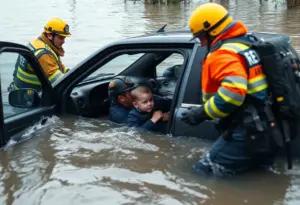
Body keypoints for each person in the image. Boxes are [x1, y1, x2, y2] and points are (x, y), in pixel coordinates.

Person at [180, 3, 280, 177]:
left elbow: (233, 94)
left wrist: (200, 113)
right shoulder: (247, 44)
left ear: (212, 31)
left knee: (201, 174)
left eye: (201, 38)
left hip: (247, 130)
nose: (202, 44)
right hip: (270, 126)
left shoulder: (223, 54)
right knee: (259, 178)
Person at [9, 17, 71, 91]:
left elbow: (60, 68)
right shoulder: (44, 55)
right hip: (31, 98)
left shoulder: (35, 43)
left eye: (64, 38)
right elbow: (61, 83)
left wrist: (74, 73)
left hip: (19, 93)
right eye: (61, 37)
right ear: (49, 35)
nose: (63, 41)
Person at [108, 76, 172, 124]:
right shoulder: (119, 115)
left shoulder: (139, 98)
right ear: (121, 98)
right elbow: (138, 132)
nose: (137, 92)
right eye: (132, 91)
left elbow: (166, 101)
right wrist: (158, 119)